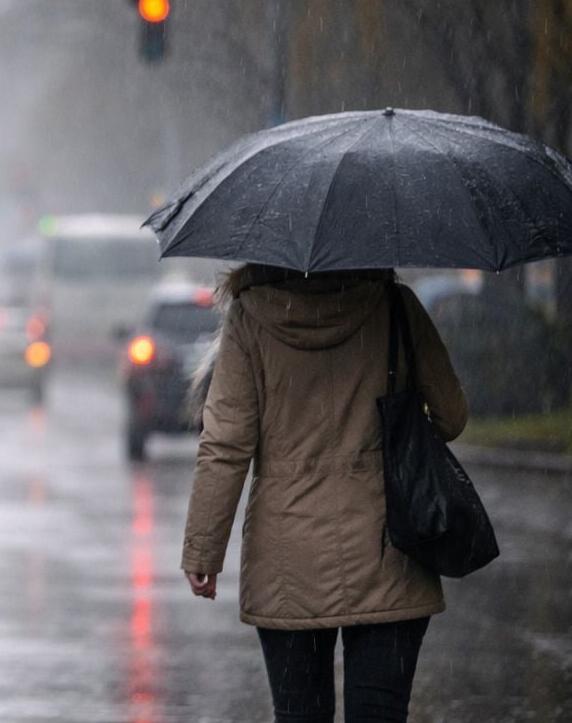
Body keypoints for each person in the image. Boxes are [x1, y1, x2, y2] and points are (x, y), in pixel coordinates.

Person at [181, 263, 469, 723]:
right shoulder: (396, 307)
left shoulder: (251, 317)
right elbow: (451, 416)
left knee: (299, 714)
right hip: (390, 547)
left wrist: (203, 551)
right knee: (380, 712)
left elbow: (226, 444)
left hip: (288, 560)